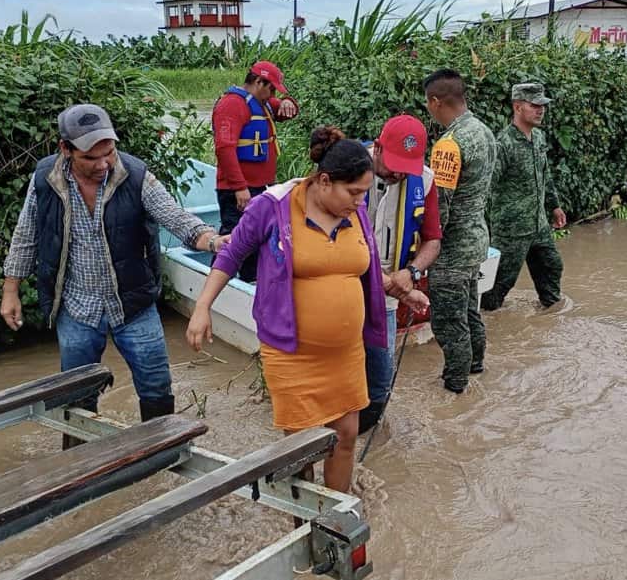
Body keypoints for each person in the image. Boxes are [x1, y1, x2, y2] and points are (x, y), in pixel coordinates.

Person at [0, 103, 225, 436]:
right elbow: (25, 234)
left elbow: (175, 217)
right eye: (91, 157)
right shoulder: (46, 180)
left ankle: (160, 457)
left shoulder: (134, 175)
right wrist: (10, 289)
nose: (103, 164)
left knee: (156, 386)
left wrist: (211, 241)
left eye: (109, 152)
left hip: (132, 303)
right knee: (75, 396)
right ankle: (78, 462)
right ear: (66, 149)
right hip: (76, 306)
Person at [186, 127, 387, 492]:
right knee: (302, 448)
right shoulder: (274, 207)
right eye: (354, 192)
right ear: (324, 181)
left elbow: (359, 268)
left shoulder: (354, 213)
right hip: (292, 352)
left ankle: (333, 523)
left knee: (346, 435)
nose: (360, 202)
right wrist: (202, 307)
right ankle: (303, 525)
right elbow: (232, 254)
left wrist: (400, 289)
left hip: (346, 352)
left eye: (364, 193)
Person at [359, 115, 442, 433]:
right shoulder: (349, 166)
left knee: (381, 372)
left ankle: (370, 433)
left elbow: (433, 240)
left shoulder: (425, 179)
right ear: (377, 148)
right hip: (345, 285)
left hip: (390, 292)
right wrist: (401, 288)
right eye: (392, 164)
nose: (396, 173)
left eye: (404, 167)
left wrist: (412, 272)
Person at [423, 69, 496, 394]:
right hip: (477, 239)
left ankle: (455, 386)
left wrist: (423, 246)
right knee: (469, 309)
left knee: (449, 322)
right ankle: (476, 365)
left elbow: (441, 207)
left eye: (428, 103)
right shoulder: (483, 131)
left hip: (452, 250)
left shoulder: (448, 145)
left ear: (436, 101)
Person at [481, 83, 566, 311]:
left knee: (552, 266)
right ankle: (488, 321)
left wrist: (554, 206)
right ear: (517, 107)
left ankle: (551, 315)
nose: (541, 110)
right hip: (511, 230)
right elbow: (487, 186)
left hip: (538, 224)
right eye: (534, 105)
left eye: (542, 106)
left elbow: (544, 175)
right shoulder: (503, 144)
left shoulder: (538, 138)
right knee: (498, 286)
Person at [212, 60, 299, 282]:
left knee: (257, 237)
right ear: (259, 82)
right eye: (271, 88)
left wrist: (289, 102)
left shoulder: (264, 103)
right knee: (233, 237)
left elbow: (288, 111)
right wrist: (240, 188)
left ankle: (249, 283)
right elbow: (224, 148)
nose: (273, 94)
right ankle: (215, 284)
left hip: (259, 187)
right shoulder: (232, 104)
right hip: (238, 188)